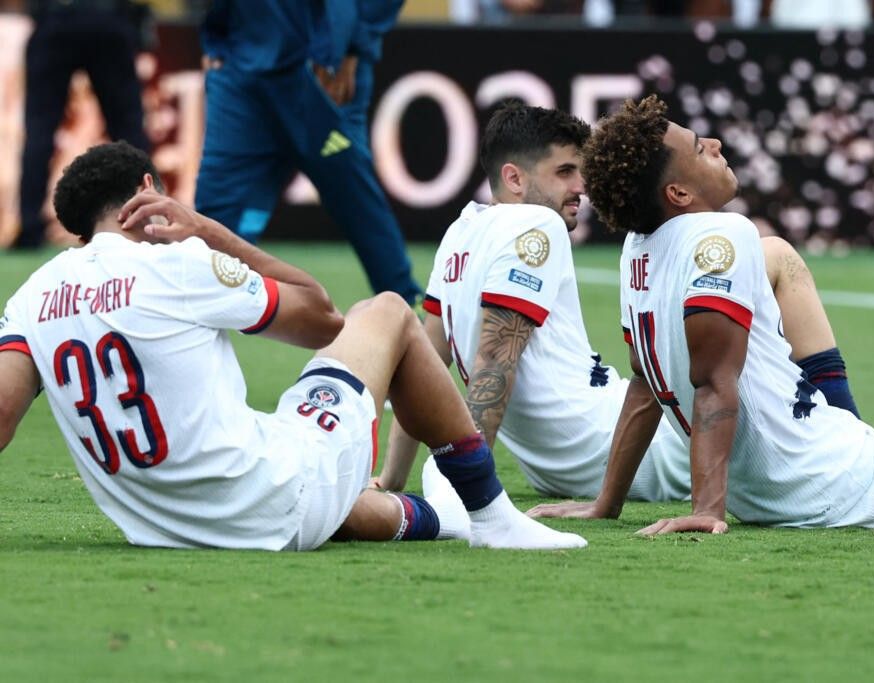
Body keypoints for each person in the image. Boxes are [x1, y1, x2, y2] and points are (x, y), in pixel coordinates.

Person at [0, 141, 586, 551]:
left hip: (163, 528)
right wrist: (207, 231)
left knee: (305, 472)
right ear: (148, 190)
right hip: (268, 500)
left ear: (77, 228)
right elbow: (321, 319)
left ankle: (442, 516)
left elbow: (3, 418)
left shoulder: (32, 296)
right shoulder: (177, 262)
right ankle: (490, 513)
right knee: (385, 311)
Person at [532, 95, 874, 532]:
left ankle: (846, 422)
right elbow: (713, 382)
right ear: (678, 194)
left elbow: (646, 384)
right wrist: (707, 509)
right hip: (841, 475)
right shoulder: (723, 236)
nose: (716, 144)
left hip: (773, 496)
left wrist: (607, 502)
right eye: (700, 148)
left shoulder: (637, 249)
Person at [378, 103, 859, 506]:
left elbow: (426, 363)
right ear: (514, 178)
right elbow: (495, 361)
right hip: (634, 449)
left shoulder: (460, 233)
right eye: (564, 172)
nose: (580, 187)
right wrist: (474, 490)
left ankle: (839, 433)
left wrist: (391, 478)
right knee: (775, 255)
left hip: (560, 468)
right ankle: (846, 434)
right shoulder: (536, 225)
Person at [195, 0, 420, 304]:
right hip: (240, 64)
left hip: (322, 68)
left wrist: (352, 43)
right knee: (216, 217)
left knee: (355, 200)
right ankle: (193, 321)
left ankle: (410, 308)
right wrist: (216, 35)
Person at [15, 0, 149, 249]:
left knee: (39, 132)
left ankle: (29, 229)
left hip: (58, 17)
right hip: (105, 18)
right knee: (128, 129)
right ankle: (148, 221)